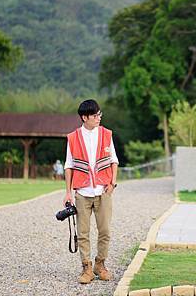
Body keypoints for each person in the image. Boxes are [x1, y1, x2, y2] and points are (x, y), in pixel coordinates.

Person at [63, 99, 119, 284]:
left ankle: (100, 265)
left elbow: (114, 160)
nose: (99, 118)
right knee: (83, 232)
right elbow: (69, 166)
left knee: (105, 231)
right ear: (84, 117)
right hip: (82, 193)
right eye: (95, 115)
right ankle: (86, 268)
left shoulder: (106, 134)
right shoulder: (73, 137)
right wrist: (68, 192)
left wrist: (113, 183)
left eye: (99, 114)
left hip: (103, 191)